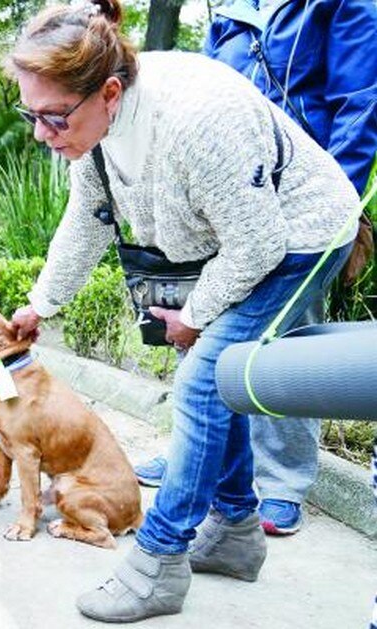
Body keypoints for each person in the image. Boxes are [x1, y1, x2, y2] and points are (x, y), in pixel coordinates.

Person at [4, 0, 361, 622]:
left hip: (301, 238)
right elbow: (86, 223)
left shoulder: (197, 120)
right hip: (246, 242)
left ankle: (159, 561)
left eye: (53, 118)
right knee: (213, 378)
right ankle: (235, 534)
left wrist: (195, 316)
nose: (42, 134)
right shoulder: (92, 131)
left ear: (109, 92)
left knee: (202, 382)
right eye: (31, 115)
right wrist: (40, 305)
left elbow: (259, 245)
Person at [133, 0, 377, 537]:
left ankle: (283, 482)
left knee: (281, 346)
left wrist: (339, 208)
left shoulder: (341, 6)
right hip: (229, 200)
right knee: (203, 336)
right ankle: (195, 461)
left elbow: (358, 106)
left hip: (300, 203)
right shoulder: (231, 9)